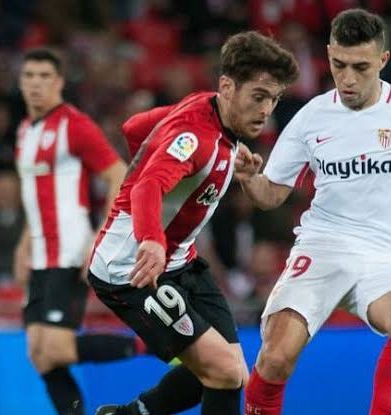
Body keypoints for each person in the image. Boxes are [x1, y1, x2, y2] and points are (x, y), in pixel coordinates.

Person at [237, 8, 391, 415]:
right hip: (321, 246)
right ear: (328, 54)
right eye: (339, 65)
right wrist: (251, 180)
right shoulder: (311, 117)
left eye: (361, 67)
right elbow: (271, 196)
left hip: (385, 255)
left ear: (383, 61)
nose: (348, 79)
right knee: (275, 358)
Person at [89, 31, 299, 415]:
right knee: (223, 371)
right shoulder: (195, 138)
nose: (266, 110)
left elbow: (134, 127)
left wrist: (174, 163)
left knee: (232, 373)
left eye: (274, 99)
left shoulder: (209, 111)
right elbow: (148, 186)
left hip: (180, 262)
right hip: (131, 269)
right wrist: (151, 237)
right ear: (227, 87)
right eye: (258, 96)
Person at [14, 48, 148, 415]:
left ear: (58, 82)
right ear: (21, 82)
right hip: (39, 253)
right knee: (39, 353)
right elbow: (34, 194)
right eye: (29, 76)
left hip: (69, 249)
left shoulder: (74, 125)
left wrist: (100, 237)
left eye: (44, 76)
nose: (36, 84)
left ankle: (151, 345)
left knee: (55, 347)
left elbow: (118, 175)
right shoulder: (25, 131)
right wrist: (24, 244)